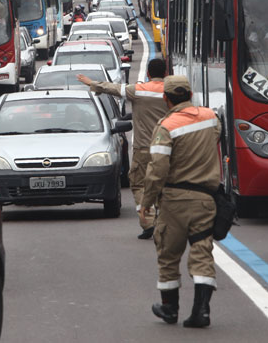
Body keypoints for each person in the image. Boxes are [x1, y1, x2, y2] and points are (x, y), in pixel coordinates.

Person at [142, 75, 221, 328]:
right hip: (205, 199)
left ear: (166, 98)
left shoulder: (166, 127)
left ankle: (169, 309)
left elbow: (157, 169)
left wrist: (147, 201)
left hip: (175, 201)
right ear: (190, 94)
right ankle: (202, 311)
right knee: (202, 252)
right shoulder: (211, 118)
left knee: (168, 254)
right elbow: (215, 139)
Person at [77, 58, 168, 239]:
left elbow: (112, 88)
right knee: (165, 185)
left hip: (144, 148)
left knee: (139, 184)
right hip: (167, 148)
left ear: (148, 74)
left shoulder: (139, 91)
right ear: (166, 73)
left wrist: (91, 83)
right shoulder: (173, 92)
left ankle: (148, 221)